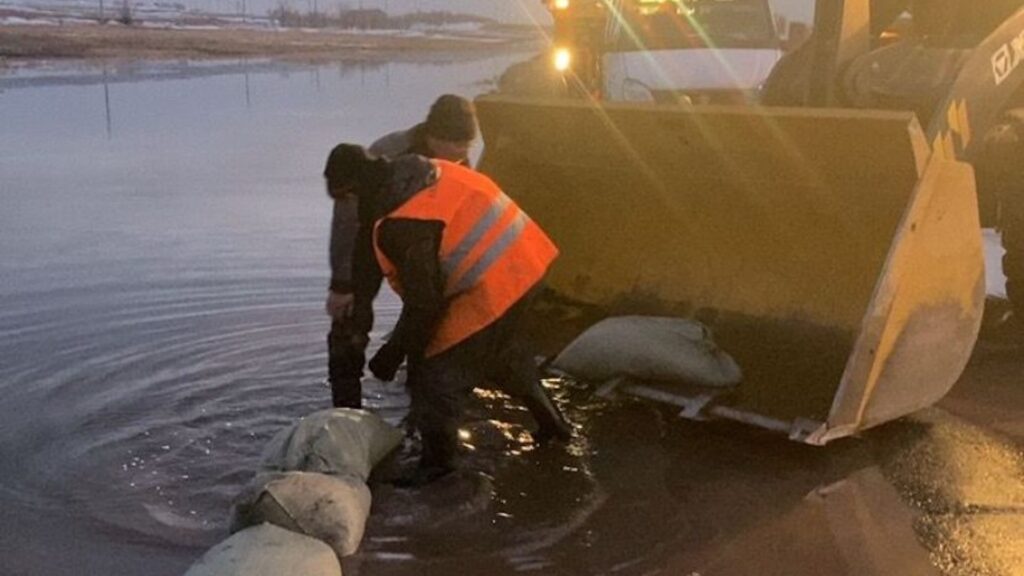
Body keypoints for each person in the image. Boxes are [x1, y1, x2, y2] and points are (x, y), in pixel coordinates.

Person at [323, 143, 574, 486]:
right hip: (526, 261)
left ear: (356, 189)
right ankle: (554, 427)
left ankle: (438, 468)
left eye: (344, 200)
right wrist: (353, 313)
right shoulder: (414, 177)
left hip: (493, 281)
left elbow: (425, 305)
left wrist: (393, 354)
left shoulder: (405, 223)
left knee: (435, 372)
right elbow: (367, 265)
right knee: (497, 353)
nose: (344, 212)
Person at [326, 94, 479, 409]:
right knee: (350, 323)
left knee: (427, 322)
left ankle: (419, 401)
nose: (463, 154)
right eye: (456, 145)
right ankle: (345, 408)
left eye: (468, 145)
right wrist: (342, 285)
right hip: (368, 245)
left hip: (419, 254)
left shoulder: (459, 163)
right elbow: (347, 222)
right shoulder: (387, 154)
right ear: (433, 136)